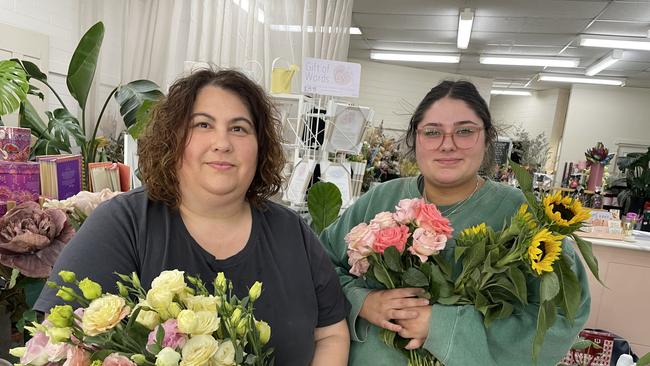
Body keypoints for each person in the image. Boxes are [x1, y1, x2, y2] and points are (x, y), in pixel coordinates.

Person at [36, 69, 350, 366]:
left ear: (260, 146)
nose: (223, 143)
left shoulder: (291, 232)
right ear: (173, 139)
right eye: (203, 124)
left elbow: (331, 334)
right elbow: (57, 343)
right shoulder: (123, 225)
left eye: (239, 128)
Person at [319, 80, 590, 366]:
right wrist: (362, 301)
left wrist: (445, 327)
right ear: (415, 139)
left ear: (487, 140)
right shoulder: (382, 200)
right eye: (433, 132)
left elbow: (562, 314)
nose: (447, 145)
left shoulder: (521, 216)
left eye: (464, 131)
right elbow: (316, 269)